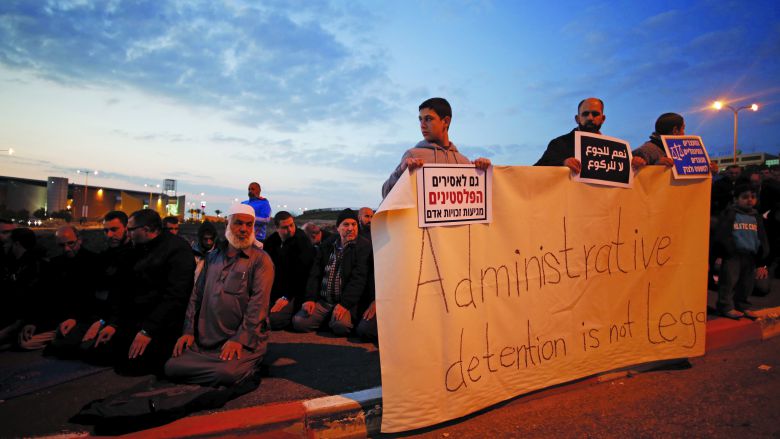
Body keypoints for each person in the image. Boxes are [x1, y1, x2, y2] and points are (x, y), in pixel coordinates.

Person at [165, 204, 273, 386]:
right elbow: (196, 297)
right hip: (206, 339)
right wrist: (188, 331)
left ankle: (246, 362)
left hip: (241, 340)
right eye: (239, 223)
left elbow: (258, 305)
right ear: (227, 224)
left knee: (225, 374)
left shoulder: (261, 260)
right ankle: (223, 365)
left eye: (249, 225)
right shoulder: (212, 257)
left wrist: (239, 339)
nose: (244, 229)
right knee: (171, 367)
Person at [93, 209, 194, 375]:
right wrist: (112, 323)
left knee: (131, 366)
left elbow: (175, 296)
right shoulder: (136, 248)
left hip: (162, 322)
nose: (127, 232)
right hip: (137, 318)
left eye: (131, 229)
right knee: (96, 350)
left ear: (146, 230)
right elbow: (124, 289)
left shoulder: (177, 250)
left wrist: (148, 330)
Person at [382, 97, 491, 198]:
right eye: (420, 119)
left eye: (428, 119)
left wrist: (483, 172)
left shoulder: (464, 162)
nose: (422, 125)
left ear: (446, 121)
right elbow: (386, 194)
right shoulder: (413, 156)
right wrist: (401, 171)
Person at [292, 209, 372, 336]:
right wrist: (310, 298)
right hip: (324, 301)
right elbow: (315, 273)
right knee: (299, 322)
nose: (351, 228)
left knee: (341, 326)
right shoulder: (328, 245)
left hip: (346, 303)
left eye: (354, 224)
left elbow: (358, 279)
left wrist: (345, 304)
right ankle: (328, 319)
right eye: (346, 225)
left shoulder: (363, 247)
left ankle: (333, 320)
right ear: (338, 228)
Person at [44, 226, 102, 357]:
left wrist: (75, 318)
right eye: (62, 245)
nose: (66, 248)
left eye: (70, 243)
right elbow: (51, 295)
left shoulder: (94, 261)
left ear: (79, 240)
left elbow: (92, 298)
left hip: (84, 316)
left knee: (61, 346)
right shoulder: (55, 263)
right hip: (63, 316)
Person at [713, 184, 769, 319]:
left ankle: (742, 305)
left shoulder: (756, 216)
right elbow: (722, 234)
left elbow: (762, 237)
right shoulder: (730, 214)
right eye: (745, 197)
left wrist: (762, 259)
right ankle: (725, 306)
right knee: (728, 282)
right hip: (733, 256)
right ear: (736, 199)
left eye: (753, 197)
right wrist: (722, 254)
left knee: (746, 283)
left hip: (750, 255)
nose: (750, 200)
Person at [263, 211, 316, 329]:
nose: (291, 230)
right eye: (285, 227)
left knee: (274, 320)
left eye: (292, 225)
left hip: (295, 292)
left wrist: (286, 296)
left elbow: (303, 275)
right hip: (274, 290)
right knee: (257, 314)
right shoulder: (272, 242)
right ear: (277, 228)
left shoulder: (302, 241)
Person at [1, 228, 48, 350]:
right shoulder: (15, 262)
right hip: (15, 315)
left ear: (16, 244)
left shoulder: (35, 267)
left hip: (23, 319)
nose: (5, 246)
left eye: (8, 243)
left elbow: (31, 300)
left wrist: (14, 326)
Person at [534, 97, 606, 174]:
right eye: (585, 114)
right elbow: (536, 171)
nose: (590, 118)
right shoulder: (559, 144)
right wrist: (562, 163)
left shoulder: (612, 150)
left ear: (603, 119)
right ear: (577, 119)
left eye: (595, 114)